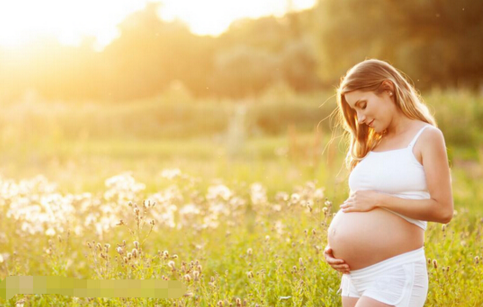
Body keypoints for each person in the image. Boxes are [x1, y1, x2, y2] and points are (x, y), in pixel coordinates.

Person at [323, 59, 453, 307]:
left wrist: (379, 199)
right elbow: (358, 205)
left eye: (362, 105)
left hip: (394, 272)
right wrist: (333, 248)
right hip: (354, 277)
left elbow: (443, 210)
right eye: (354, 111)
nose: (360, 118)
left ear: (387, 89)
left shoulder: (426, 137)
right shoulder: (373, 143)